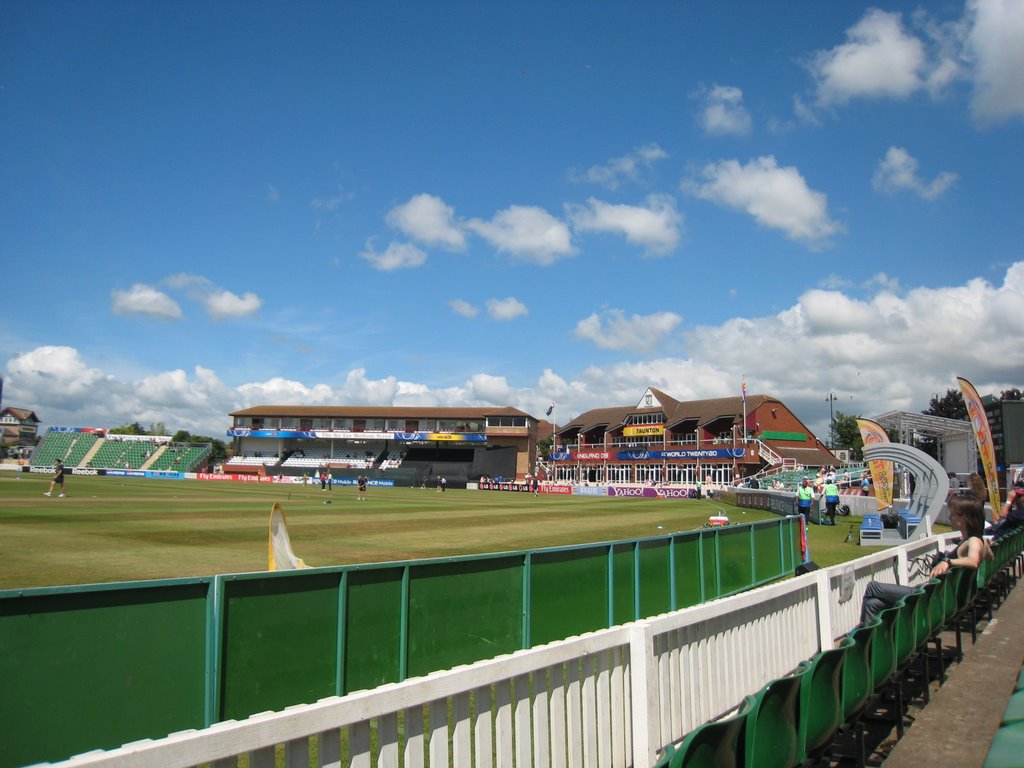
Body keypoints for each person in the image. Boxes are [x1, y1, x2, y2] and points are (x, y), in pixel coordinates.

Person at [858, 494, 992, 625]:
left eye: (953, 514)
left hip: (929, 597)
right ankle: (869, 640)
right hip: (934, 595)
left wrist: (948, 561)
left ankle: (861, 627)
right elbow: (988, 556)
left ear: (964, 518)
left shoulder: (973, 540)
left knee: (872, 587)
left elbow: (973, 561)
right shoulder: (979, 540)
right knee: (872, 604)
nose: (950, 517)